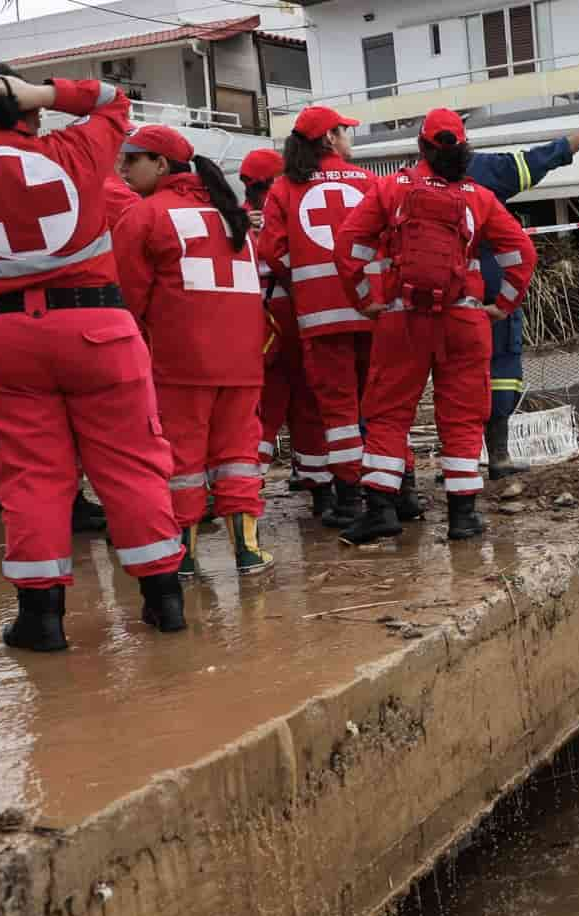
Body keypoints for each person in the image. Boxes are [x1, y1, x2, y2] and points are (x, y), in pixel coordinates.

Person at [0, 67, 185, 650]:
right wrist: (48, 95)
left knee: (29, 474)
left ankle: (42, 620)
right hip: (97, 331)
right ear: (32, 111)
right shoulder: (79, 149)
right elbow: (115, 101)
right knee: (132, 463)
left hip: (0, 339)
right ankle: (165, 603)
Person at [333, 108, 537, 544]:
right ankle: (463, 516)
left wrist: (366, 302)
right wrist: (501, 305)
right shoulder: (479, 196)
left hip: (402, 318)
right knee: (462, 418)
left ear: (420, 146)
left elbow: (349, 247)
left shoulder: (390, 188)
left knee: (388, 414)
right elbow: (521, 254)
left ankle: (381, 510)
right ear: (464, 149)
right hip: (465, 318)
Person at [113, 126, 273, 578]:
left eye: (132, 159)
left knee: (181, 461)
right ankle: (247, 551)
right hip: (243, 359)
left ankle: (182, 557)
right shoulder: (231, 215)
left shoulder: (145, 216)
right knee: (239, 453)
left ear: (161, 165)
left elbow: (129, 298)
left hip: (181, 361)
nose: (124, 169)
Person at [464, 120, 579, 479]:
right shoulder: (484, 171)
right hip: (491, 293)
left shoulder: (405, 182)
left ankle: (463, 461)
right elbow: (546, 157)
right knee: (501, 369)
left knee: (455, 377)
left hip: (445, 300)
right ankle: (498, 458)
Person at [257, 105, 380, 530]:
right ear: (330, 138)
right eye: (346, 130)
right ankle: (391, 491)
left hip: (319, 317)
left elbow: (272, 250)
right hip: (370, 310)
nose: (350, 137)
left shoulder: (283, 189)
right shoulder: (368, 181)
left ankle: (347, 500)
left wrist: (306, 282)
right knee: (378, 405)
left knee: (339, 410)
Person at [238, 148, 329, 511]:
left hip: (259, 333)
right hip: (289, 324)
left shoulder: (233, 222)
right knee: (307, 411)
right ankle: (320, 491)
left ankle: (244, 493)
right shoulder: (273, 220)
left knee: (263, 417)